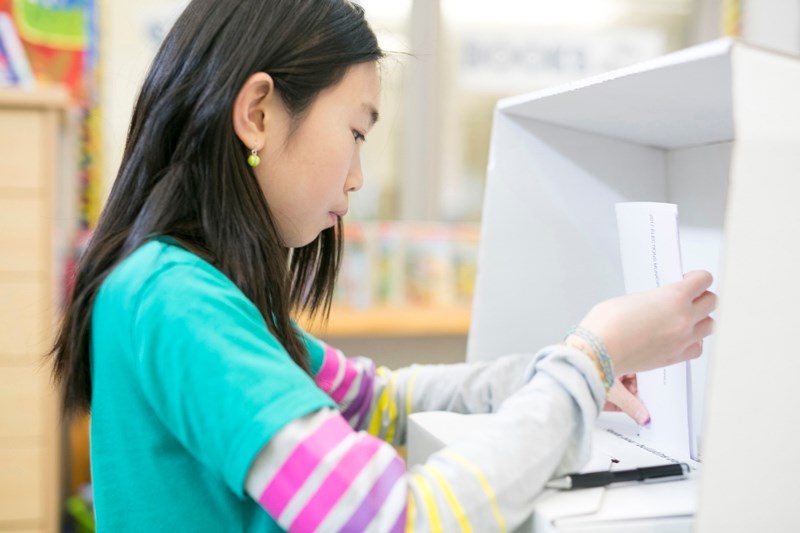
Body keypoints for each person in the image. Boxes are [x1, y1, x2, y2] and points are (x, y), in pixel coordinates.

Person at [50, 0, 716, 531]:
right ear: (257, 113)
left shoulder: (181, 290)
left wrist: (559, 370)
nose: (360, 174)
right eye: (357, 132)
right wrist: (590, 358)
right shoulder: (176, 300)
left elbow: (383, 400)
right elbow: (394, 517)